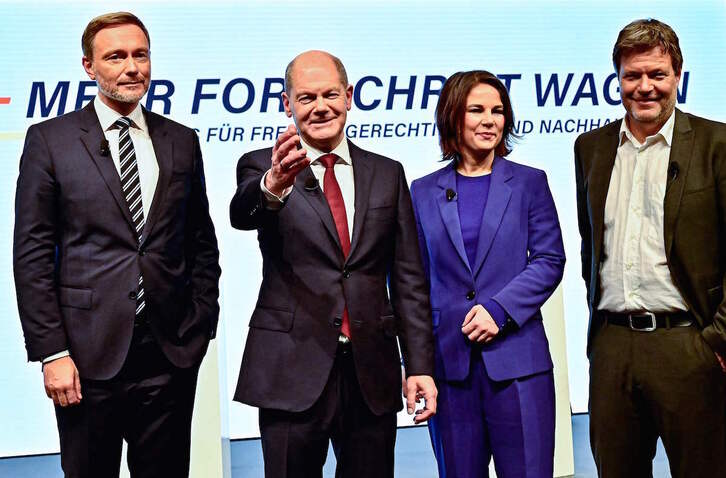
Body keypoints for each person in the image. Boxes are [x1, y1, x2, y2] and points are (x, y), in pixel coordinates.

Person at [13, 12, 220, 478]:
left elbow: (201, 244)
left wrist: (201, 324)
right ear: (89, 66)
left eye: (140, 54)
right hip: (86, 359)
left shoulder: (181, 141)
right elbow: (32, 256)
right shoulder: (50, 140)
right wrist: (52, 352)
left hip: (170, 354)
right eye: (116, 56)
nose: (132, 67)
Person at [229, 50, 437, 478]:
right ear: (287, 104)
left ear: (349, 96)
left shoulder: (387, 173)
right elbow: (243, 213)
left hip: (370, 372)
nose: (320, 107)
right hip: (291, 370)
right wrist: (274, 184)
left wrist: (418, 366)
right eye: (306, 98)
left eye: (329, 95)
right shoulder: (262, 165)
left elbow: (409, 280)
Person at [575, 18, 726, 477]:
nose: (645, 87)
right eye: (632, 75)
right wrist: (600, 340)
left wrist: (716, 342)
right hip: (613, 348)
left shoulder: (716, 144)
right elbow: (589, 247)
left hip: (690, 344)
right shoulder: (591, 148)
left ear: (677, 76)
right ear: (617, 78)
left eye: (657, 75)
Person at [410, 70, 565, 477]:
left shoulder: (530, 183)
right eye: (476, 109)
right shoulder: (421, 192)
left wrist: (500, 310)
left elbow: (549, 260)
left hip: (519, 366)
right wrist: (418, 365)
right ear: (453, 118)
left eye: (497, 111)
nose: (489, 120)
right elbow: (413, 282)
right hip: (450, 368)